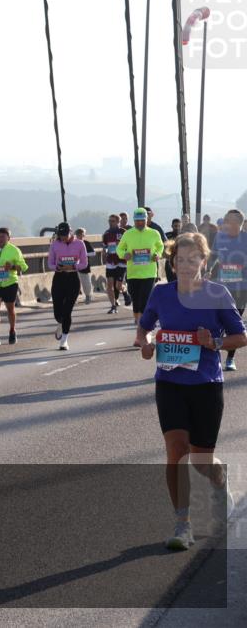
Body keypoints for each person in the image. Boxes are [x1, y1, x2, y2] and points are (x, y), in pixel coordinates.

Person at [137, 233, 245, 550]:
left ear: (204, 261)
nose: (185, 265)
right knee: (176, 450)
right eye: (180, 260)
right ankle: (182, 524)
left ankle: (219, 477)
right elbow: (145, 327)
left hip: (206, 385)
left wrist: (214, 342)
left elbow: (241, 336)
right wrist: (145, 343)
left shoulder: (217, 294)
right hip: (169, 383)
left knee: (200, 460)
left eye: (192, 259)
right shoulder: (161, 293)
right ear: (172, 263)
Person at [118, 208, 165, 346]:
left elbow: (160, 247)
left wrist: (157, 255)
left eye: (142, 220)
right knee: (136, 304)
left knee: (145, 302)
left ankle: (145, 334)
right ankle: (140, 332)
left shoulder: (154, 233)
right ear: (134, 220)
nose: (140, 223)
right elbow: (120, 249)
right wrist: (124, 254)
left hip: (149, 273)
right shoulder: (128, 234)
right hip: (133, 273)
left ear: (146, 220)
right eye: (137, 221)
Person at [208, 209, 247, 370]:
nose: (228, 225)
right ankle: (213, 356)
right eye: (227, 222)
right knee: (217, 322)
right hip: (221, 288)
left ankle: (230, 358)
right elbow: (213, 256)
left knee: (234, 324)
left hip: (241, 289)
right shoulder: (220, 237)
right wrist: (208, 269)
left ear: (240, 224)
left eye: (231, 223)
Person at [47, 223, 88, 350]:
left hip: (73, 279)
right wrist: (57, 267)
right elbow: (50, 263)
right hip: (59, 278)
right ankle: (60, 322)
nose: (63, 237)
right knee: (57, 312)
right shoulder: (55, 245)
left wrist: (73, 266)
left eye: (65, 235)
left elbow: (84, 263)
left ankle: (64, 340)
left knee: (67, 311)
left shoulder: (80, 244)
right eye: (61, 235)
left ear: (71, 232)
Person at [0, 228, 29, 346]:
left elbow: (24, 267)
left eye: (2, 237)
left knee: (10, 309)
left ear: (8, 238)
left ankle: (12, 331)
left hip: (10, 283)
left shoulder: (15, 250)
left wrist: (12, 267)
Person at [103, 214, 128, 314]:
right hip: (110, 262)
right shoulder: (106, 233)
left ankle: (125, 292)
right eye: (109, 221)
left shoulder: (123, 232)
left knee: (118, 286)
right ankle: (113, 306)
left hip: (121, 262)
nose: (110, 223)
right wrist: (104, 254)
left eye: (112, 221)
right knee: (109, 285)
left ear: (118, 222)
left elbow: (129, 246)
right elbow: (105, 246)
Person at [74, 227, 96, 304]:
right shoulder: (73, 243)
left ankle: (88, 296)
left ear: (84, 235)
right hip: (74, 266)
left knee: (86, 282)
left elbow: (93, 253)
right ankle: (74, 298)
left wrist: (84, 254)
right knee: (74, 283)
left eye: (82, 234)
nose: (80, 236)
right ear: (76, 235)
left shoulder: (86, 243)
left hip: (84, 266)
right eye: (78, 234)